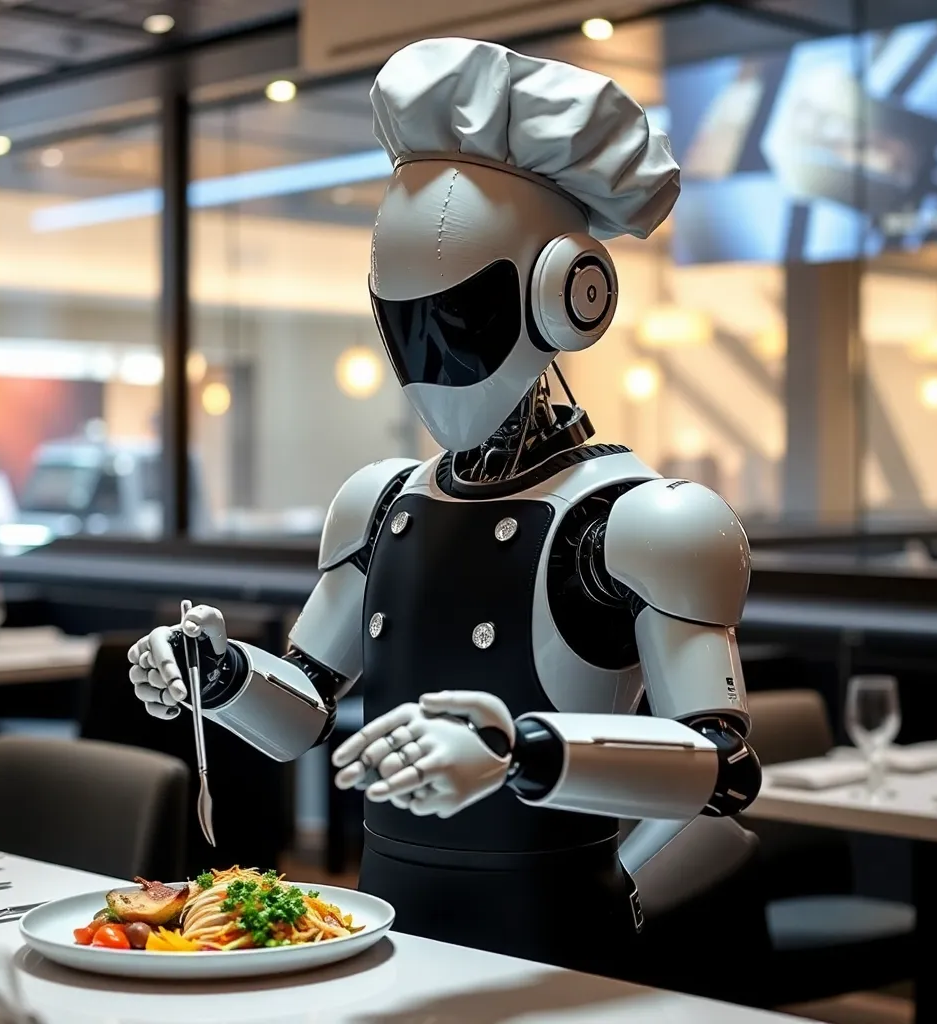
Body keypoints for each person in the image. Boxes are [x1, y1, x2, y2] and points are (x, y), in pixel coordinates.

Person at [127, 38, 763, 980]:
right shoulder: (383, 501)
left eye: (459, 322)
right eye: (406, 326)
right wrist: (219, 676)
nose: (432, 363)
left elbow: (721, 766)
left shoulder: (642, 523)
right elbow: (306, 711)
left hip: (554, 932)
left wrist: (525, 754)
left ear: (570, 298)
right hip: (387, 911)